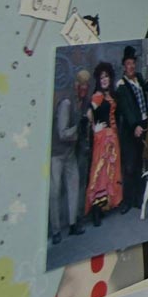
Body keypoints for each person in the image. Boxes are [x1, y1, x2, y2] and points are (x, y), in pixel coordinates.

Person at [49, 65, 92, 241]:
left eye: (86, 85)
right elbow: (62, 133)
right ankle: (56, 231)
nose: (83, 88)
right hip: (57, 153)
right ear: (75, 85)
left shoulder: (83, 102)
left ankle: (73, 224)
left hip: (70, 153)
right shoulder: (67, 103)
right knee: (55, 191)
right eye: (81, 85)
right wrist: (78, 128)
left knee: (74, 187)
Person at [83, 63, 123, 224]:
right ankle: (96, 210)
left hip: (112, 138)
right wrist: (95, 128)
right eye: (102, 77)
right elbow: (88, 113)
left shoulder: (109, 95)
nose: (105, 79)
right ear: (98, 80)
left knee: (110, 172)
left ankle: (105, 205)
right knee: (99, 173)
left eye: (107, 77)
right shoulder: (98, 95)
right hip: (102, 139)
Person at [114, 47, 148, 213]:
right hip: (130, 129)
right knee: (129, 165)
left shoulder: (139, 79)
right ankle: (127, 200)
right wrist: (135, 125)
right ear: (124, 66)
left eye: (133, 63)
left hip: (142, 126)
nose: (131, 66)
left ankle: (137, 198)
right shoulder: (121, 86)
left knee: (139, 163)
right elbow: (126, 109)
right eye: (128, 64)